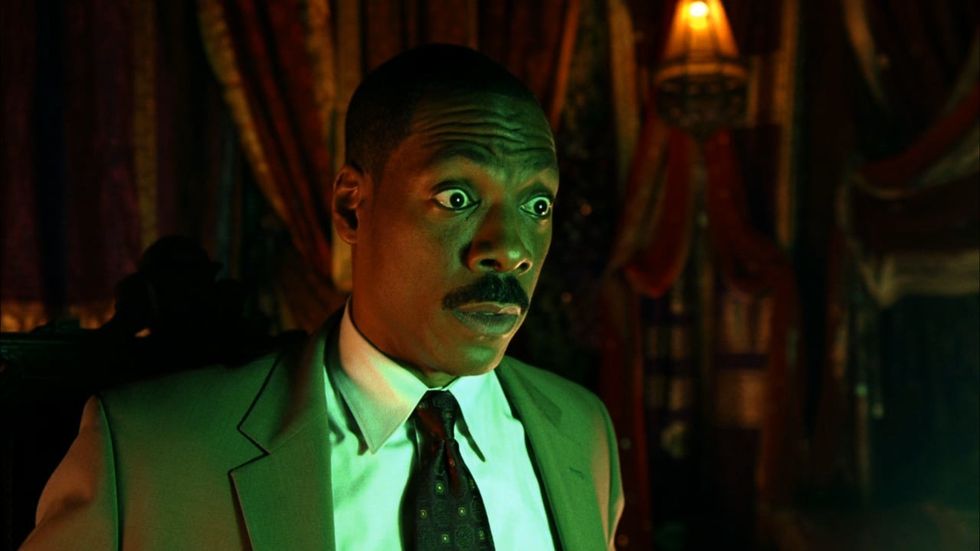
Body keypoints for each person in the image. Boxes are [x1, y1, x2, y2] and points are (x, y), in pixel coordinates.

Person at [21, 44, 623, 551]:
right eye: (456, 198)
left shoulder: (582, 430)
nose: (511, 249)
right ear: (351, 207)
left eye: (537, 205)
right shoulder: (147, 452)